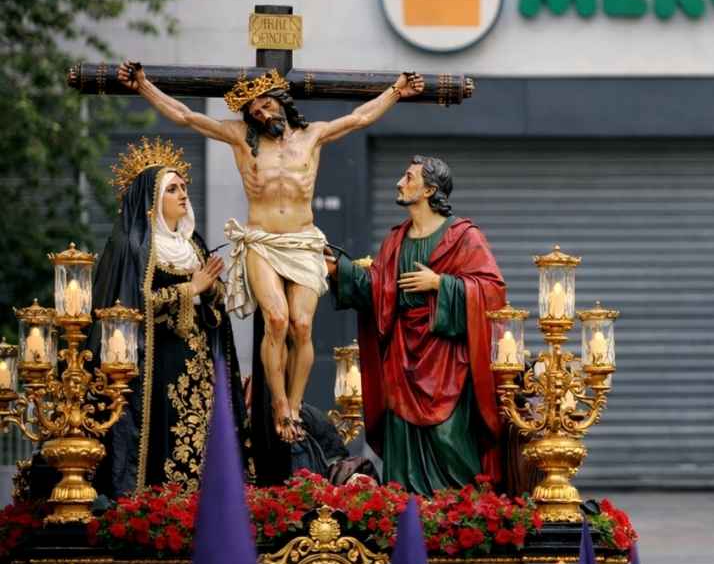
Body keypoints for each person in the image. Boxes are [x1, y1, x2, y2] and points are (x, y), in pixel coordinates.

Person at [115, 62, 423, 486]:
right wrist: (144, 86)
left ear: (280, 102)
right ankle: (279, 404)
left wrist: (396, 92)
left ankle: (295, 405)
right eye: (253, 110)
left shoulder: (311, 135)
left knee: (301, 325)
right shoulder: (243, 140)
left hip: (303, 241)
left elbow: (358, 118)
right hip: (261, 241)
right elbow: (187, 116)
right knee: (275, 319)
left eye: (264, 104)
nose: (260, 114)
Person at [326, 155, 506, 495]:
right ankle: (405, 514)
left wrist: (441, 284)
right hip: (401, 359)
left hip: (446, 360)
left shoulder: (464, 237)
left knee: (450, 439)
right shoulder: (395, 240)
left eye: (408, 178)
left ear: (430, 190)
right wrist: (340, 270)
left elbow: (493, 291)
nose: (399, 182)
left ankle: (458, 512)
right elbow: (378, 290)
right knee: (403, 442)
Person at [91, 138, 245, 496]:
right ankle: (156, 508)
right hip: (155, 364)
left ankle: (201, 506)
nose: (182, 194)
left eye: (184, 188)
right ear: (151, 201)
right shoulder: (132, 246)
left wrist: (210, 289)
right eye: (172, 189)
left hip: (199, 365)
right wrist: (190, 289)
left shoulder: (193, 245)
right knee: (163, 434)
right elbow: (125, 309)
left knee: (202, 438)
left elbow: (214, 300)